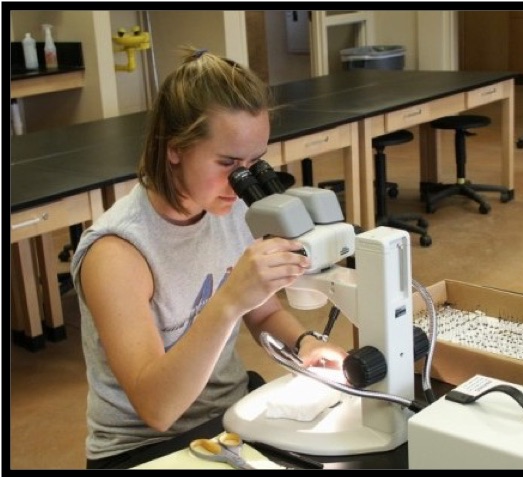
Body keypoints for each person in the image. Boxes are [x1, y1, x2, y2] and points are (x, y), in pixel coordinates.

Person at [70, 48, 347, 469]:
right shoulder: (117, 253)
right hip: (144, 448)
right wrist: (228, 301)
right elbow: (157, 408)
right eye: (228, 163)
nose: (240, 182)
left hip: (229, 414)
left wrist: (305, 344)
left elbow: (263, 310)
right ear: (175, 148)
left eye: (253, 163)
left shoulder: (228, 205)